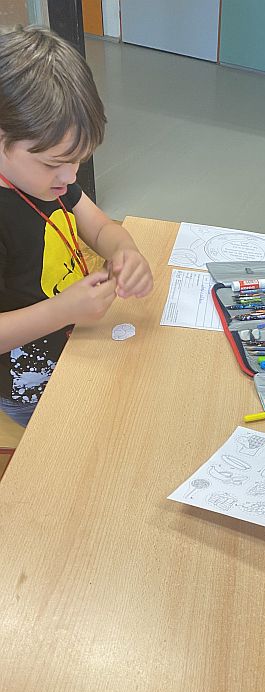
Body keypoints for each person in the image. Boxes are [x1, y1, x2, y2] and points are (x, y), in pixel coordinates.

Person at [0, 27, 153, 426]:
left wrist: (125, 252)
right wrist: (63, 310)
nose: (69, 177)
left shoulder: (48, 180)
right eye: (54, 163)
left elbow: (100, 228)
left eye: (78, 161)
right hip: (30, 386)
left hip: (76, 342)